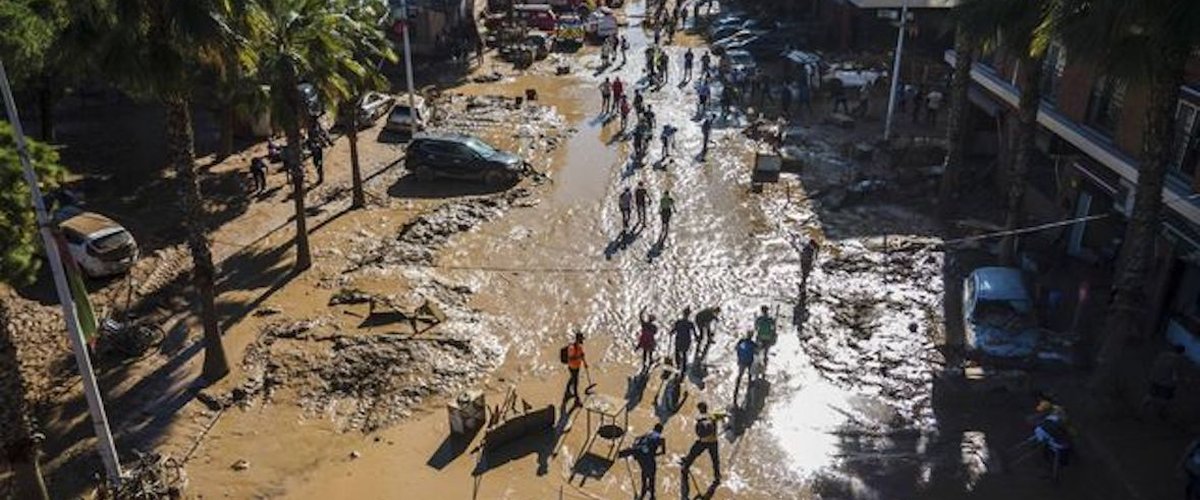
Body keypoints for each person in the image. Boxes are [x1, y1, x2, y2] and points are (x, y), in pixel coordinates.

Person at [680, 402, 721, 484]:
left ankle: (685, 468)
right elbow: (724, 415)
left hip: (703, 442)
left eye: (699, 409)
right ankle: (717, 476)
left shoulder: (700, 418)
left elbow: (699, 432)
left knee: (693, 453)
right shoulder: (713, 415)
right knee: (715, 460)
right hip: (714, 442)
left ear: (701, 409)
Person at [1143, 344, 1186, 419]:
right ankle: (1161, 413)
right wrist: (1183, 381)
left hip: (1155, 378)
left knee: (1151, 394)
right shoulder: (1178, 361)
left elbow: (1155, 364)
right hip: (1167, 383)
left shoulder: (1163, 355)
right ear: (1182, 353)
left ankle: (1142, 408)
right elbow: (1175, 376)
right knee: (1167, 399)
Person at [624, 423, 666, 499]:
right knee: (652, 480)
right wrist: (654, 455)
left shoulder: (647, 434)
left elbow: (636, 439)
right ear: (661, 431)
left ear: (654, 429)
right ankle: (652, 496)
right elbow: (663, 452)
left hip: (642, 459)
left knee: (644, 476)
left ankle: (642, 495)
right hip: (650, 461)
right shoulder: (661, 439)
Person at [563, 332, 587, 406]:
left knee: (572, 379)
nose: (582, 341)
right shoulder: (572, 348)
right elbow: (571, 358)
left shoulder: (579, 347)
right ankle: (577, 400)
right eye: (581, 339)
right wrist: (579, 357)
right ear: (578, 339)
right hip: (572, 367)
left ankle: (567, 393)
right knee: (575, 383)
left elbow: (582, 355)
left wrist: (585, 363)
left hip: (577, 367)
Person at [732, 332, 757, 406]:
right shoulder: (753, 343)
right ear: (751, 336)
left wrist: (739, 355)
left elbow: (736, 348)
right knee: (750, 374)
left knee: (740, 374)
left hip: (741, 361)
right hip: (749, 361)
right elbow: (756, 351)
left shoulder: (741, 341)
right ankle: (749, 385)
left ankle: (737, 386)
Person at [670, 308, 696, 375]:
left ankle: (678, 366)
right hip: (686, 341)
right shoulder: (690, 323)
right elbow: (694, 333)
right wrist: (697, 338)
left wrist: (671, 333)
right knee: (684, 354)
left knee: (677, 353)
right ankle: (684, 368)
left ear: (683, 314)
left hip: (679, 339)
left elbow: (673, 330)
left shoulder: (678, 322)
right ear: (689, 315)